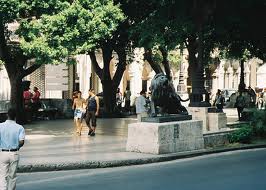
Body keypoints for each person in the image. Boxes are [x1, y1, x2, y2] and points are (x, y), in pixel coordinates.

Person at [0, 108, 25, 190]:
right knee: (12, 175)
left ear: (7, 115)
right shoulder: (20, 127)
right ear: (15, 116)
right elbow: (21, 142)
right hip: (14, 153)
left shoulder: (0, 126)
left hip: (3, 152)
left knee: (3, 175)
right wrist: (16, 146)